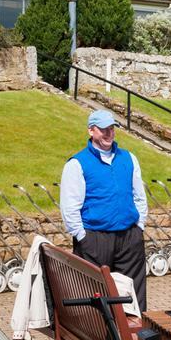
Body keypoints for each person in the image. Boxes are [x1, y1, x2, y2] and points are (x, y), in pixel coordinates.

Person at [59, 109, 149, 309]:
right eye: (103, 129)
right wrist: (83, 238)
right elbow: (69, 207)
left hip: (129, 238)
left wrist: (139, 226)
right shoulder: (77, 164)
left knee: (134, 298)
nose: (108, 133)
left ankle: (132, 339)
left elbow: (139, 196)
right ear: (91, 131)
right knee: (94, 297)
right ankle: (99, 339)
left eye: (111, 128)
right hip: (95, 239)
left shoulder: (129, 158)